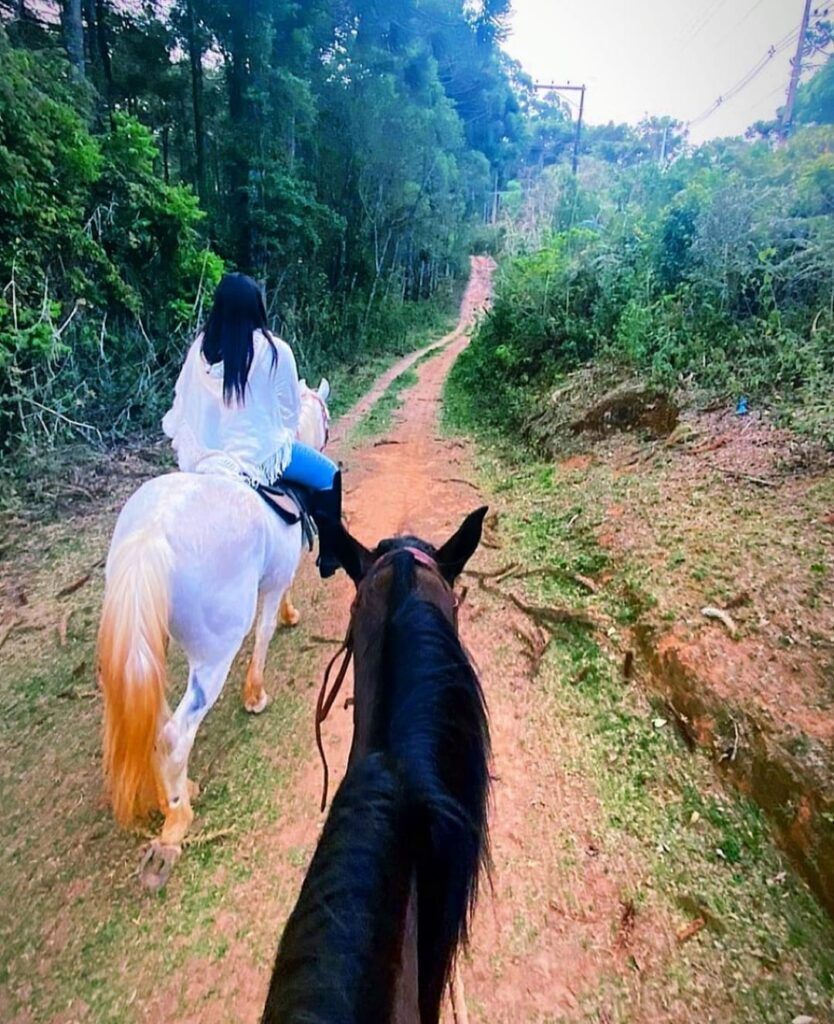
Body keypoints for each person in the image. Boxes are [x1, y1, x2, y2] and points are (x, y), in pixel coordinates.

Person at [162, 272, 342, 578]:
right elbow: (290, 414)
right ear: (256, 307)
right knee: (329, 474)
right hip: (258, 455)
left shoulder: (199, 350)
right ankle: (330, 555)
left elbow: (185, 403)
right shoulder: (274, 350)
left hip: (205, 458)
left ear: (218, 308)